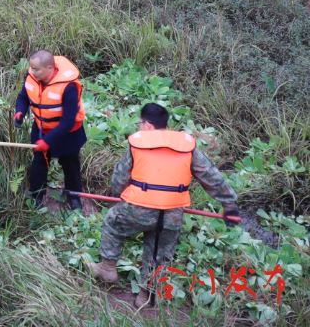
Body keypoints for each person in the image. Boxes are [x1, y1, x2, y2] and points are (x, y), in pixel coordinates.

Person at [89, 103, 239, 309]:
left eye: (140, 123)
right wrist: (229, 204)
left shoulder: (137, 143)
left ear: (147, 124)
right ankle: (145, 296)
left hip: (137, 208)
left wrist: (119, 194)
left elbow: (120, 176)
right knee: (158, 253)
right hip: (172, 214)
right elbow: (210, 176)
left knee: (113, 223)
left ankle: (107, 268)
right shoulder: (187, 146)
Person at [13, 50, 87, 211]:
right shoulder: (32, 77)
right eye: (31, 68)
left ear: (49, 68)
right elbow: (23, 97)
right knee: (39, 164)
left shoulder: (69, 87)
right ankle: (37, 197)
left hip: (68, 134)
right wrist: (20, 111)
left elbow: (68, 121)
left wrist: (48, 141)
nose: (32, 71)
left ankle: (74, 197)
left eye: (36, 69)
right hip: (41, 129)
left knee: (70, 165)